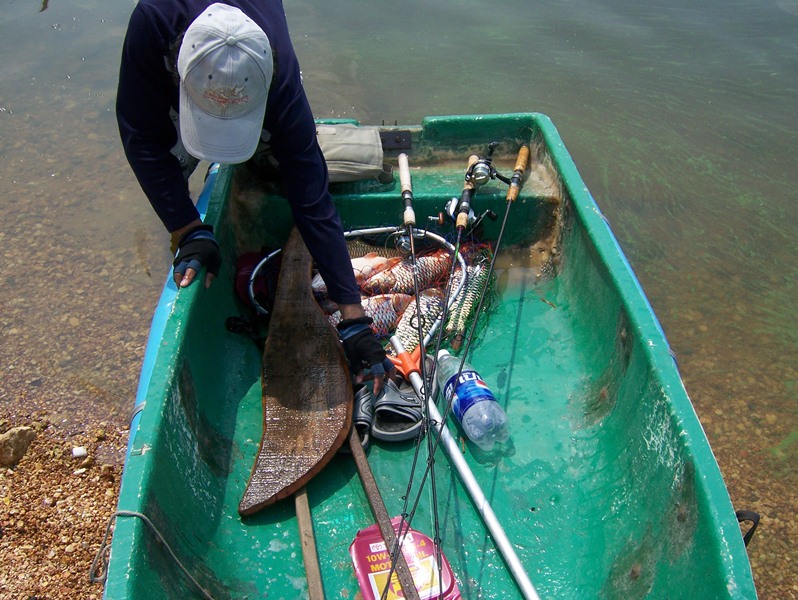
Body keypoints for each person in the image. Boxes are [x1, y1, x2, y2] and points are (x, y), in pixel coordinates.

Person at [116, 0, 393, 393]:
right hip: (171, 56)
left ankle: (252, 148)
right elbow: (140, 135)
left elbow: (310, 193)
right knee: (168, 160)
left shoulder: (276, 71)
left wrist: (353, 314)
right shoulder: (153, 20)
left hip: (264, 75)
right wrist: (188, 226)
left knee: (286, 161)